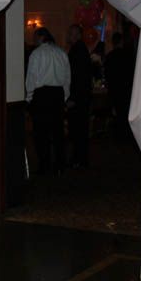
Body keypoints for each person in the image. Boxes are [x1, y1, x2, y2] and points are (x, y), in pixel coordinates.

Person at [25, 27, 70, 175]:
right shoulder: (61, 53)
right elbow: (67, 78)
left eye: (34, 37)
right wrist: (64, 97)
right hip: (57, 94)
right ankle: (60, 165)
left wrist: (29, 97)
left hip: (42, 95)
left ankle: (44, 166)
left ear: (40, 37)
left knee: (41, 133)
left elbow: (32, 77)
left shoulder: (37, 54)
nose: (33, 41)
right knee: (58, 132)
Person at [66, 24, 92, 169]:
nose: (68, 35)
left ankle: (79, 159)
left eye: (70, 33)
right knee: (79, 130)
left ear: (76, 34)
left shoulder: (78, 51)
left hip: (79, 98)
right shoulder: (80, 50)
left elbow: (78, 77)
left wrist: (73, 98)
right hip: (81, 97)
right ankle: (79, 158)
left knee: (78, 130)